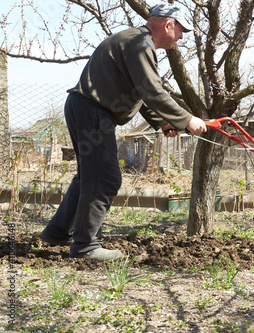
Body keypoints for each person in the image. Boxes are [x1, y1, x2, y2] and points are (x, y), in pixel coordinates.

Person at [39, 3, 206, 262]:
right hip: (93, 111)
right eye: (181, 30)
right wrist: (187, 119)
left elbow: (138, 91)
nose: (182, 37)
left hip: (87, 109)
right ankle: (85, 247)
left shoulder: (137, 42)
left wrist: (162, 123)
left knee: (89, 177)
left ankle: (57, 232)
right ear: (168, 25)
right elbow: (152, 90)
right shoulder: (140, 43)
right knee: (105, 178)